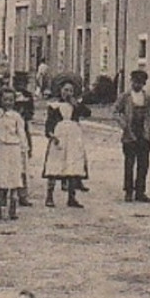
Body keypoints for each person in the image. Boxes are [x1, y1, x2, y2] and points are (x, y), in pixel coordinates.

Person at [114, 69, 150, 202]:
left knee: (143, 163)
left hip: (144, 134)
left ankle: (140, 191)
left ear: (144, 84)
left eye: (140, 82)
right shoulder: (125, 97)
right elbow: (115, 111)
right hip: (129, 133)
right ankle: (128, 191)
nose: (137, 85)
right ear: (131, 82)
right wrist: (123, 124)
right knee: (129, 163)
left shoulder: (148, 98)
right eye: (135, 82)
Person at [42, 78, 90, 207]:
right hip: (59, 137)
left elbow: (87, 113)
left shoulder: (75, 106)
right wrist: (52, 136)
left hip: (74, 137)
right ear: (60, 91)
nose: (68, 93)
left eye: (71, 91)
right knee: (54, 165)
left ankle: (71, 197)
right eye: (65, 90)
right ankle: (49, 196)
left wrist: (76, 104)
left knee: (73, 165)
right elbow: (49, 125)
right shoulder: (54, 106)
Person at [0, 88, 31, 221]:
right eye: (5, 99)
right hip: (0, 148)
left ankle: (12, 209)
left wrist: (24, 149)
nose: (8, 102)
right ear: (0, 100)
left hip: (14, 148)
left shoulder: (16, 116)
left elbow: (21, 133)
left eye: (11, 100)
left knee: (13, 179)